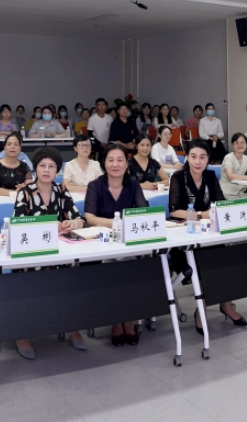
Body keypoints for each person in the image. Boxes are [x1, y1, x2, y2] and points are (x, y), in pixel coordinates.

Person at [10, 147, 87, 358]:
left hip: (58, 253)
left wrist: (72, 223)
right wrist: (47, 224)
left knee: (70, 276)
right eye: (42, 165)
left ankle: (70, 325)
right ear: (35, 168)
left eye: (51, 166)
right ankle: (22, 332)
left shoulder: (61, 190)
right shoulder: (25, 192)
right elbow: (18, 223)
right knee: (30, 278)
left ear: (57, 170)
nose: (46, 170)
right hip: (31, 254)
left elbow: (80, 218)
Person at [170, 139, 246, 332]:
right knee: (205, 263)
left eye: (202, 157)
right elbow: (174, 211)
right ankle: (201, 308)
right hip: (185, 240)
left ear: (208, 159)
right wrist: (202, 215)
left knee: (227, 258)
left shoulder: (211, 176)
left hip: (209, 235)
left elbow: (220, 202)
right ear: (187, 158)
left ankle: (226, 305)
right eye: (193, 156)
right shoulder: (178, 178)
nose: (198, 161)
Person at [84, 143, 149, 346]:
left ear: (126, 164)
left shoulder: (133, 185)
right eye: (110, 160)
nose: (115, 164)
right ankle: (116, 319)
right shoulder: (95, 186)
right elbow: (90, 218)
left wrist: (124, 225)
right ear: (104, 163)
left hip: (127, 243)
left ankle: (126, 319)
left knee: (128, 264)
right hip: (100, 244)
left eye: (120, 160)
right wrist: (118, 223)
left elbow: (143, 212)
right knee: (112, 266)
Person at [220, 133, 247, 199]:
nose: (240, 145)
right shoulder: (228, 158)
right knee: (243, 203)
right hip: (227, 191)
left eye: (242, 142)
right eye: (236, 143)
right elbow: (230, 176)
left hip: (241, 190)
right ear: (233, 145)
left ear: (246, 145)